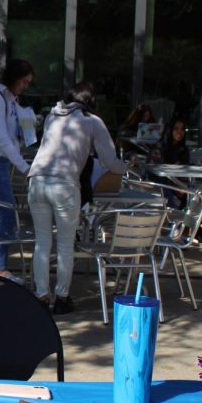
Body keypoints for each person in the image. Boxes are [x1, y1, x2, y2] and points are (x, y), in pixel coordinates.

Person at [27, 82, 125, 314]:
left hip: (37, 179)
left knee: (42, 243)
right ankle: (61, 297)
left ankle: (41, 296)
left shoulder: (52, 116)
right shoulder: (92, 121)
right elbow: (109, 160)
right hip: (64, 183)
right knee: (64, 245)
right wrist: (124, 167)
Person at [0, 59, 35, 282]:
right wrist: (23, 166)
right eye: (24, 81)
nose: (26, 86)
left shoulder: (8, 98)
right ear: (13, 78)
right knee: (7, 215)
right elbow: (1, 137)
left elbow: (12, 130)